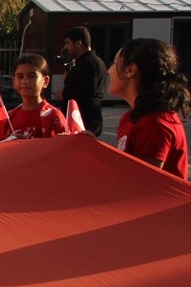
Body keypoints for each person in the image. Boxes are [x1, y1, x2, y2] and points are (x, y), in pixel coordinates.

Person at [108, 38, 189, 179]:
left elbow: (142, 182)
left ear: (130, 70)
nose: (109, 71)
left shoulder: (156, 123)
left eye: (115, 63)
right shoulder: (131, 117)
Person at [60, 26, 107, 137]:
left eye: (68, 43)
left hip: (83, 119)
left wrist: (64, 94)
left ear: (78, 43)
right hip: (86, 118)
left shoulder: (88, 63)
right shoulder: (94, 61)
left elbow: (88, 92)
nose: (66, 47)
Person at [7, 54, 66, 139]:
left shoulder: (53, 117)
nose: (25, 81)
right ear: (13, 82)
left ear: (45, 81)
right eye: (20, 76)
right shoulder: (8, 117)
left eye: (32, 76)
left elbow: (63, 149)